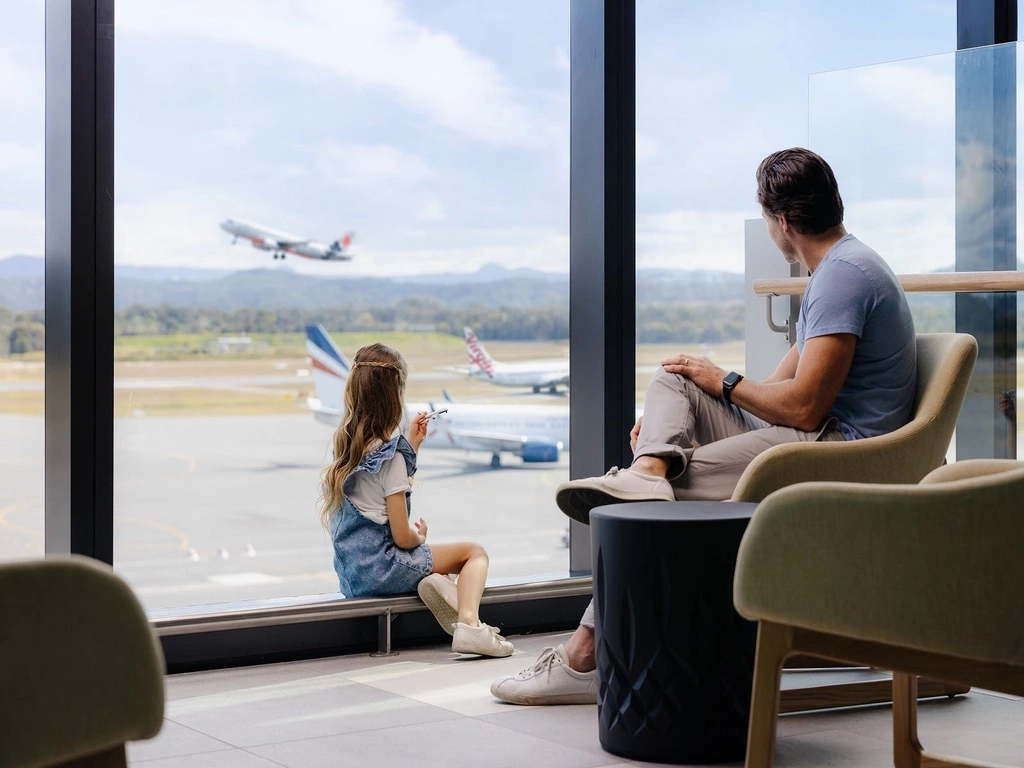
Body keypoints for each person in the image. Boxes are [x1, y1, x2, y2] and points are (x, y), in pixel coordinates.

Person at [490, 147, 918, 704]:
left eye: (767, 218)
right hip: (812, 433)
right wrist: (699, 397)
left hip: (833, 450)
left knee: (650, 505)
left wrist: (724, 381)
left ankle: (584, 658)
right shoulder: (837, 271)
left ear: (782, 221)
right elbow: (780, 388)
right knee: (676, 381)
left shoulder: (842, 280)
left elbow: (805, 409)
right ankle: (649, 468)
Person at [320, 342, 513, 658]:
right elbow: (401, 536)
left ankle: (436, 581)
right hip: (383, 571)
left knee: (440, 570)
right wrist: (420, 537)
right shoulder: (391, 458)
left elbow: (376, 487)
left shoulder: (346, 449)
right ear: (395, 396)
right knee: (473, 554)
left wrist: (412, 446)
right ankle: (470, 626)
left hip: (353, 576)